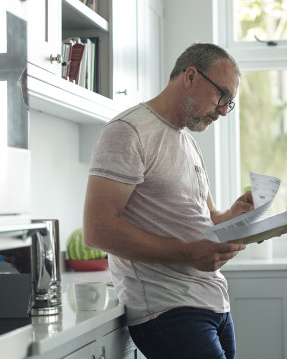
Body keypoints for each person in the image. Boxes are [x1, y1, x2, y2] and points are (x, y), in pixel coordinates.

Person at [82, 43, 254, 359]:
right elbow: (97, 229)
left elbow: (207, 218)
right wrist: (188, 253)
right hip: (168, 309)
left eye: (229, 103)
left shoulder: (187, 142)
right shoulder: (128, 131)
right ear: (190, 76)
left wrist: (235, 214)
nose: (222, 110)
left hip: (213, 302)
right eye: (222, 97)